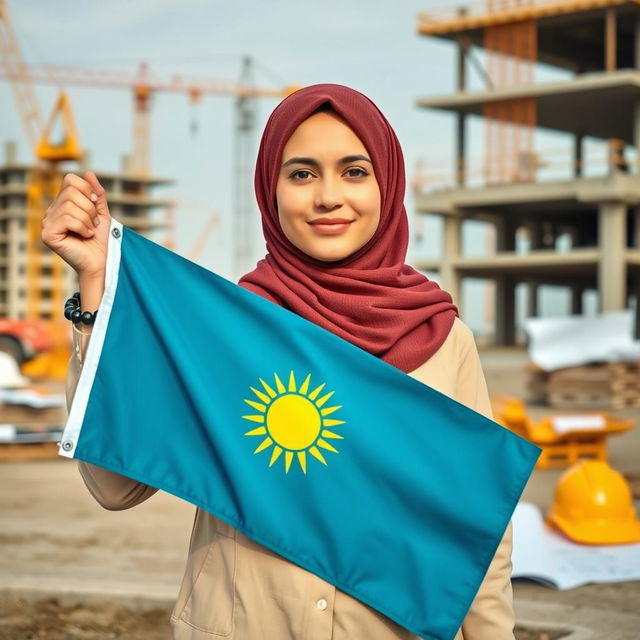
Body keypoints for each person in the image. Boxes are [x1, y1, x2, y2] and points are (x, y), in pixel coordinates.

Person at [42, 83, 514, 640]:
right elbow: (114, 486)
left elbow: (477, 532)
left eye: (355, 171)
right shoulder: (227, 333)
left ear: (389, 184)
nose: (328, 197)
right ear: (270, 188)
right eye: (302, 173)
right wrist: (96, 290)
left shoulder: (442, 339)